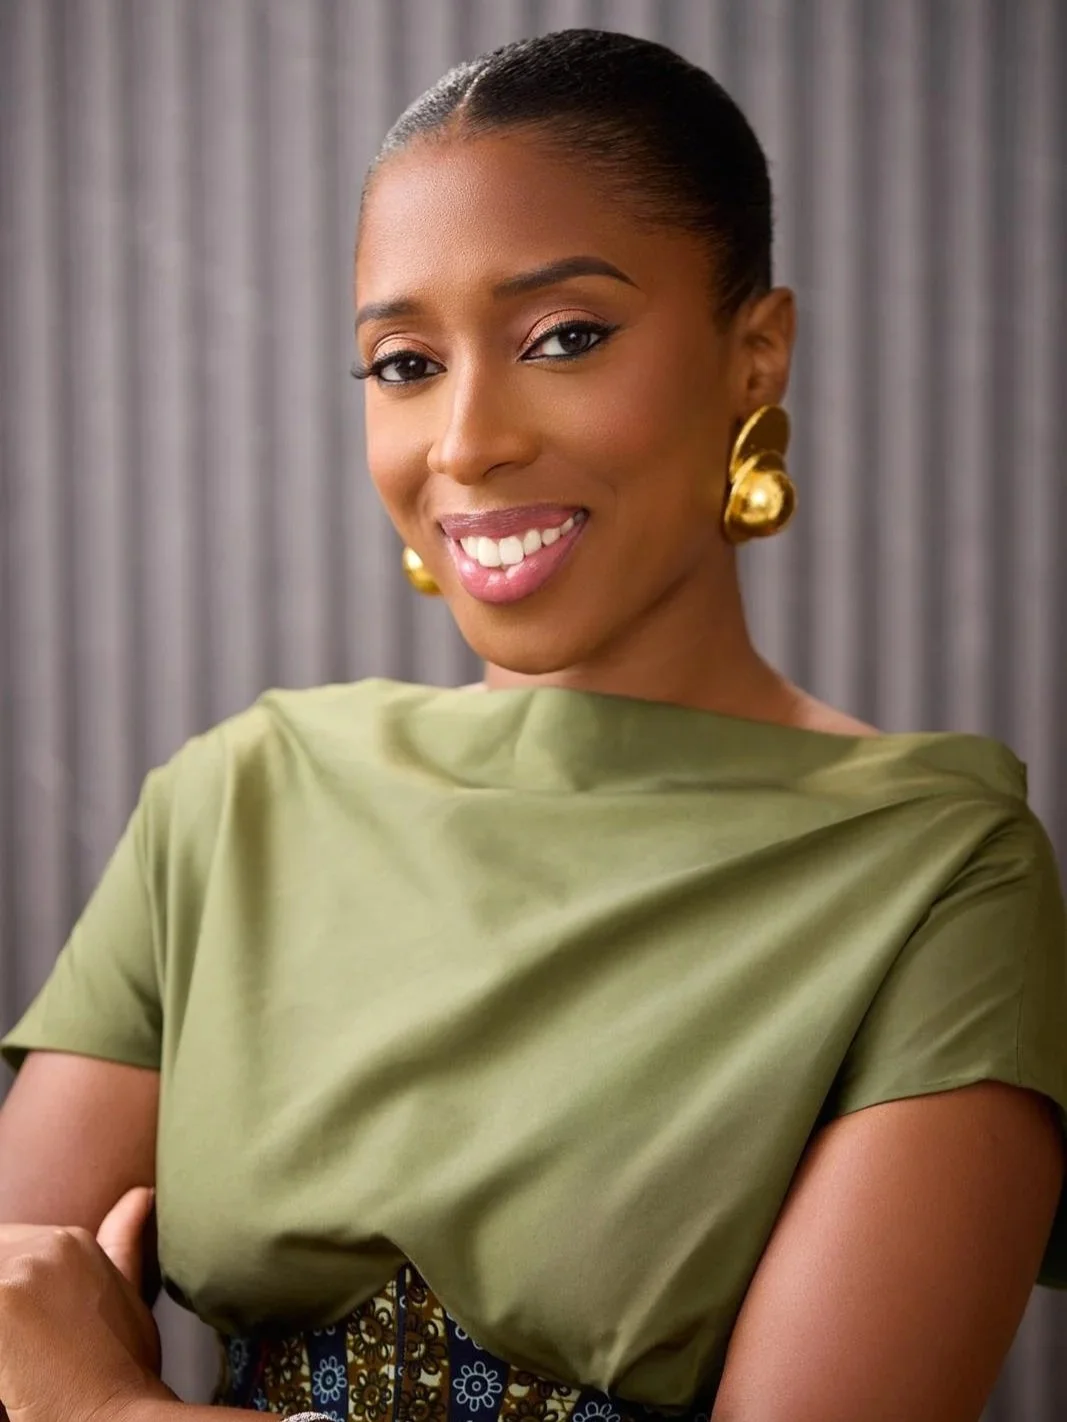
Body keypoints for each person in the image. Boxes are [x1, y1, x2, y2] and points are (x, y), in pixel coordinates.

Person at [0, 27, 1064, 1422]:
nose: (465, 440)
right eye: (402, 363)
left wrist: (117, 1412)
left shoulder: (934, 868)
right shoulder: (235, 802)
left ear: (754, 353)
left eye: (565, 337)